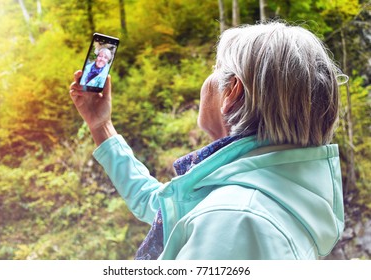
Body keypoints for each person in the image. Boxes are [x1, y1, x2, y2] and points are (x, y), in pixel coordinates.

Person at [69, 21, 346, 260]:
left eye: (215, 68)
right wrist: (101, 126)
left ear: (232, 91)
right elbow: (161, 203)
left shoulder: (234, 219)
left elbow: (211, 213)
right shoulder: (281, 187)